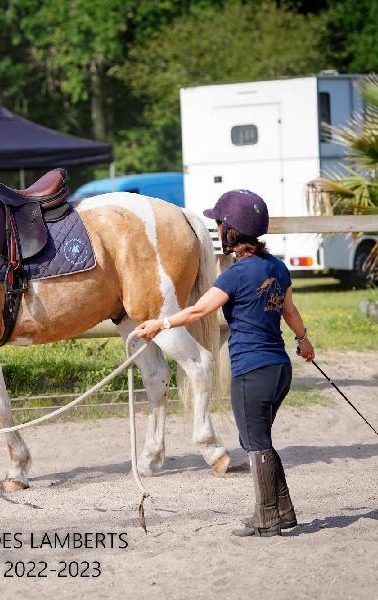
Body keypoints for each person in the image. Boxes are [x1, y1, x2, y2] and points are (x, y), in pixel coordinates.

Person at [136, 189, 314, 537]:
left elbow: (200, 310)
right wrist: (303, 340)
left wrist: (162, 323)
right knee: (261, 438)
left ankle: (266, 518)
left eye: (219, 223)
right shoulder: (277, 266)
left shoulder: (234, 273)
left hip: (252, 370)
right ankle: (283, 511)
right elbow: (289, 310)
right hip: (279, 368)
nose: (217, 228)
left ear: (230, 230)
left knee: (255, 442)